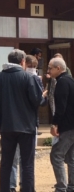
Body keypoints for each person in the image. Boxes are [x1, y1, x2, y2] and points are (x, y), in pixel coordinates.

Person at [0, 49, 42, 192]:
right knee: (27, 164)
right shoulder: (28, 77)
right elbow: (37, 100)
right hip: (27, 126)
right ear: (23, 61)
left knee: (6, 162)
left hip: (7, 126)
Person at [9, 55, 46, 192]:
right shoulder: (34, 79)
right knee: (27, 159)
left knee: (13, 157)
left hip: (12, 122)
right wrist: (43, 96)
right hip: (28, 123)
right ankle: (25, 185)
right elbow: (38, 101)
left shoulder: (11, 78)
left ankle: (11, 185)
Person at [48, 57, 74, 192]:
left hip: (67, 125)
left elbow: (61, 106)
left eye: (50, 68)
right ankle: (71, 186)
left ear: (58, 68)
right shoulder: (70, 80)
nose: (48, 71)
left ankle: (61, 187)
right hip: (72, 124)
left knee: (56, 155)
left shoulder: (62, 82)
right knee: (71, 157)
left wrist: (55, 123)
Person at [45, 53, 72, 117]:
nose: (48, 71)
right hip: (52, 89)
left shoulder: (63, 80)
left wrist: (56, 122)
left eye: (50, 68)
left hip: (66, 122)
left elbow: (61, 104)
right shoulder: (66, 79)